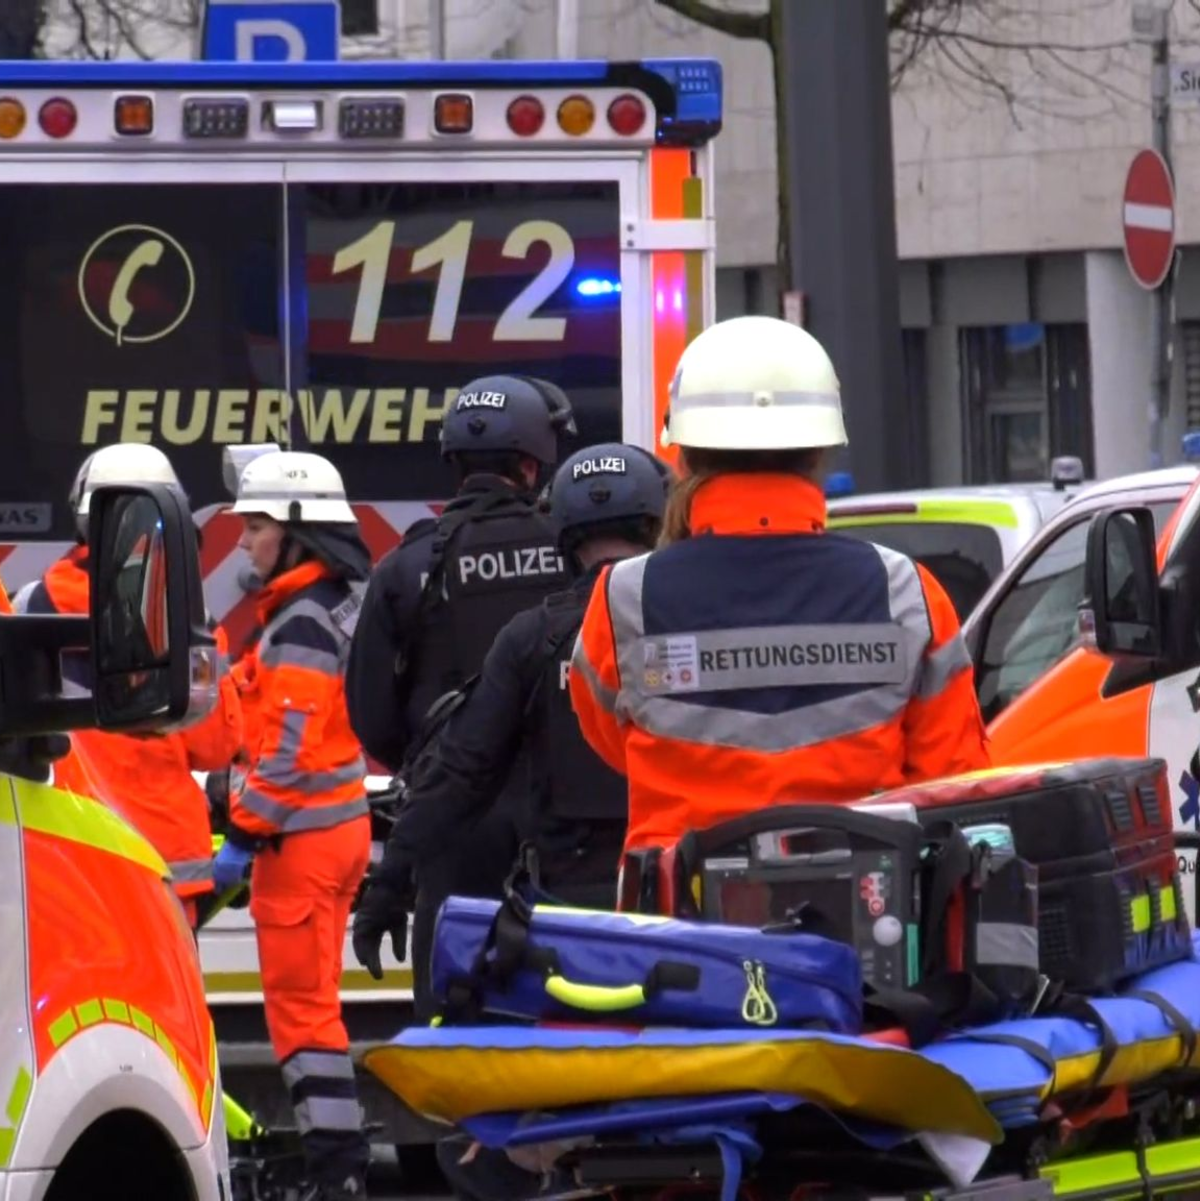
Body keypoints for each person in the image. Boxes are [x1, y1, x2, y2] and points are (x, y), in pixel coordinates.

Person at [570, 316, 992, 859]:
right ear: (820, 452)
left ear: (685, 453)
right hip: (865, 916)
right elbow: (952, 780)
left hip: (684, 928)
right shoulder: (905, 591)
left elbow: (615, 742)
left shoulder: (622, 598)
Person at [352, 441, 670, 982]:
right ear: (655, 523)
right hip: (681, 898)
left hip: (571, 908)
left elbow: (460, 770)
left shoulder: (531, 637)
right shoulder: (688, 626)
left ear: (564, 528)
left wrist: (391, 881)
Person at [345, 373, 577, 1019]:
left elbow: (372, 715)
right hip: (563, 813)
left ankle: (464, 1120)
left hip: (450, 817)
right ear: (532, 462)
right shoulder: (570, 550)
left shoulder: (406, 566)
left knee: (457, 1001)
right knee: (574, 989)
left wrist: (432, 765)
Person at [211, 449, 374, 1201]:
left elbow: (287, 752)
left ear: (298, 530)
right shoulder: (323, 605)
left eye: (256, 526)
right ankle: (332, 1163)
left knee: (303, 1016)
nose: (244, 542)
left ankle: (334, 1172)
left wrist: (240, 837)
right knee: (319, 1007)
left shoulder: (303, 620)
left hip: (299, 842)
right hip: (330, 834)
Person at [18, 443, 243, 927]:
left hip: (66, 848)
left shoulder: (29, 604)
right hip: (163, 856)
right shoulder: (192, 620)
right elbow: (217, 746)